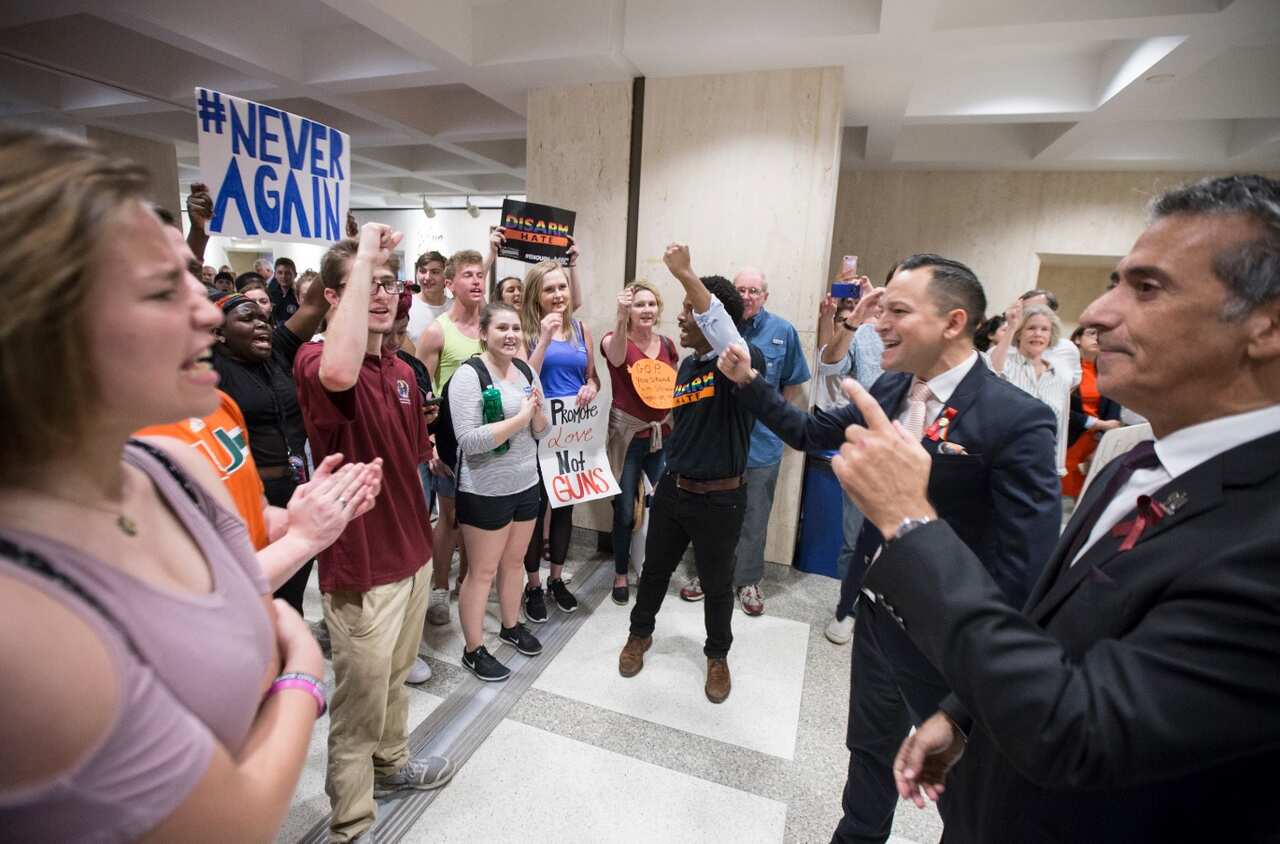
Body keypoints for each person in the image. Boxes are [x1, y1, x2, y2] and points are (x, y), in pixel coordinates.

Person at [830, 174, 1280, 844]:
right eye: (1114, 282)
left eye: (1146, 288)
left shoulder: (1263, 536)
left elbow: (1086, 729)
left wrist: (910, 521)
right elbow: (1054, 623)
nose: (1095, 315)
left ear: (1266, 326)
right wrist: (965, 714)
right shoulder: (1133, 463)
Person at [0, 128, 353, 841]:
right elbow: (236, 820)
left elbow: (239, 598)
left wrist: (297, 533)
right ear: (44, 327)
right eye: (165, 289)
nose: (208, 310)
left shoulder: (173, 470)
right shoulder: (23, 623)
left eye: (196, 279)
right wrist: (304, 672)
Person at [717, 252, 1061, 843]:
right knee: (870, 755)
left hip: (951, 643)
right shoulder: (894, 386)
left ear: (954, 322)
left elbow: (1023, 574)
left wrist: (962, 705)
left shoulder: (1017, 420)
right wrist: (747, 380)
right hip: (878, 619)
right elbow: (809, 431)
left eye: (898, 311)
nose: (879, 322)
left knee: (963, 790)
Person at [294, 225, 454, 843]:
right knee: (358, 705)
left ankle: (392, 766)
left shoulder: (402, 370)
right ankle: (352, 823)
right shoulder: (318, 360)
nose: (382, 294)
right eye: (367, 285)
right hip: (361, 566)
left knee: (394, 679)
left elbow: (414, 460)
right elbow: (337, 370)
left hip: (411, 553)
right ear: (335, 297)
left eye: (390, 284)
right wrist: (363, 255)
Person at [618, 244, 766, 704]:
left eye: (688, 311)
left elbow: (727, 335)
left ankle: (717, 656)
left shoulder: (741, 362)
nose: (680, 319)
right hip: (676, 491)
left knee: (718, 583)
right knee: (657, 572)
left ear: (710, 320)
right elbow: (681, 422)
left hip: (721, 499)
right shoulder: (686, 366)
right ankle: (639, 635)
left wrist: (686, 275)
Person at [209, 273, 329, 614]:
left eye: (264, 318)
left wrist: (350, 248)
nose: (262, 325)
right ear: (218, 333)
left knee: (292, 596)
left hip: (295, 488)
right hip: (249, 496)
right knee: (257, 596)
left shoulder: (276, 354)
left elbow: (316, 303)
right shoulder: (213, 366)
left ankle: (290, 654)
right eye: (247, 319)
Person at [449, 302, 549, 680]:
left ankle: (510, 626)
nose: (510, 335)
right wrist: (520, 418)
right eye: (502, 328)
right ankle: (473, 649)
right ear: (484, 334)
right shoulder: (469, 376)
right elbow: (470, 440)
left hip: (526, 482)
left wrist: (536, 418)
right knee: (482, 570)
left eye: (516, 328)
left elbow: (542, 430)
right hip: (485, 489)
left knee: (514, 562)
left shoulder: (525, 371)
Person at [518, 258, 601, 622]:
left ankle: (556, 579)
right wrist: (546, 337)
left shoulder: (582, 329)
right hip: (536, 433)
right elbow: (523, 378)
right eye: (549, 288)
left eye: (562, 287)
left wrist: (589, 388)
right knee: (535, 512)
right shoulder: (524, 332)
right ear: (537, 295)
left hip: (573, 432)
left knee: (566, 506)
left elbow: (593, 378)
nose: (557, 294)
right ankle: (533, 584)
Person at [812, 271, 888, 646]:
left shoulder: (929, 338)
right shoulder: (866, 334)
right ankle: (848, 607)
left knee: (902, 543)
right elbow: (829, 366)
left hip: (913, 456)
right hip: (864, 453)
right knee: (854, 538)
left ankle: (891, 612)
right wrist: (855, 319)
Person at [416, 248, 486, 626]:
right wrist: (429, 444)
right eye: (468, 275)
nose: (477, 281)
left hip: (485, 438)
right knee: (450, 518)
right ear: (450, 283)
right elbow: (423, 396)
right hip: (449, 440)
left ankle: (466, 581)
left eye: (480, 275)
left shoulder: (490, 328)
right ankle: (439, 589)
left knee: (476, 518)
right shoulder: (436, 331)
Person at [601, 280, 677, 605]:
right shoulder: (614, 340)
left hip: (661, 436)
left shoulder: (668, 344)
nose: (646, 310)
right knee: (624, 511)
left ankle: (647, 567)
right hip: (628, 437)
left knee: (657, 509)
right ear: (629, 310)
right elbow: (616, 358)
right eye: (638, 305)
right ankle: (620, 572)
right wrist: (619, 317)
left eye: (651, 304)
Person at [989, 303, 1072, 476]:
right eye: (1031, 328)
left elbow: (1061, 425)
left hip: (1041, 465)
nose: (1038, 334)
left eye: (1044, 329)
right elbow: (990, 372)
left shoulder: (1061, 375)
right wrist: (1011, 326)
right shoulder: (1006, 363)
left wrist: (1058, 468)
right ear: (1019, 333)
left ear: (1051, 335)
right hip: (1002, 461)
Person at [1062, 325, 1123, 498]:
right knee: (1064, 496)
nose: (1097, 338)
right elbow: (1061, 409)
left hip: (1095, 444)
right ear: (1077, 339)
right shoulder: (1066, 369)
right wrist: (1099, 423)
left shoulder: (1108, 371)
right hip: (1069, 440)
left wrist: (1103, 445)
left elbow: (1113, 414)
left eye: (1100, 335)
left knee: (1088, 497)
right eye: (1091, 334)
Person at [1018, 288, 1082, 387]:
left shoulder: (1067, 349)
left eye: (1038, 309)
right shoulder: (1008, 345)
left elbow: (1071, 385)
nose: (1032, 315)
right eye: (1025, 311)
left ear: (1053, 313)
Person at [407, 250, 450, 343]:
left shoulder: (454, 307)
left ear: (445, 276)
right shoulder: (407, 306)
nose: (427, 277)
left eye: (435, 272)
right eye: (422, 271)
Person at [267, 256, 300, 324]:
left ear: (295, 275)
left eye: (288, 273)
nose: (283, 276)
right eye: (280, 273)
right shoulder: (270, 293)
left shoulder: (299, 294)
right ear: (275, 275)